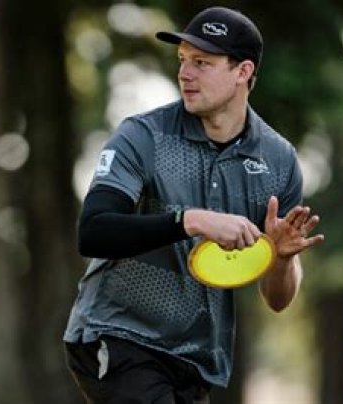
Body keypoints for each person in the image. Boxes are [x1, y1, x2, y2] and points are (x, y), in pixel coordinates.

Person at [63, 6, 325, 404]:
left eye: (202, 63)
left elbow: (277, 299)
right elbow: (94, 231)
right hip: (119, 337)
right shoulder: (143, 136)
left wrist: (281, 260)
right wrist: (191, 221)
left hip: (194, 361)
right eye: (183, 59)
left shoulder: (279, 161)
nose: (185, 73)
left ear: (243, 72)